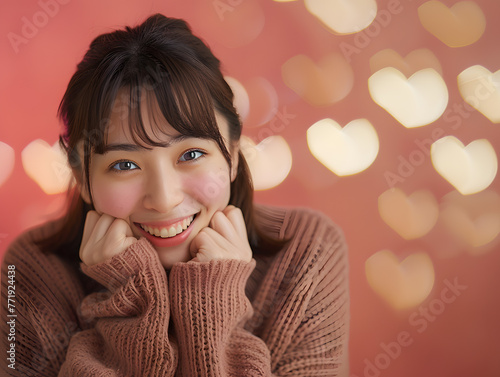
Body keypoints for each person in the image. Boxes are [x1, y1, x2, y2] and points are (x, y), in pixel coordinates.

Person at [1, 14, 350, 376]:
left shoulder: (307, 253)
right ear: (82, 176)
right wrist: (130, 299)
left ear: (231, 154)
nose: (164, 199)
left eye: (191, 155)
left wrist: (212, 301)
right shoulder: (27, 271)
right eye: (124, 165)